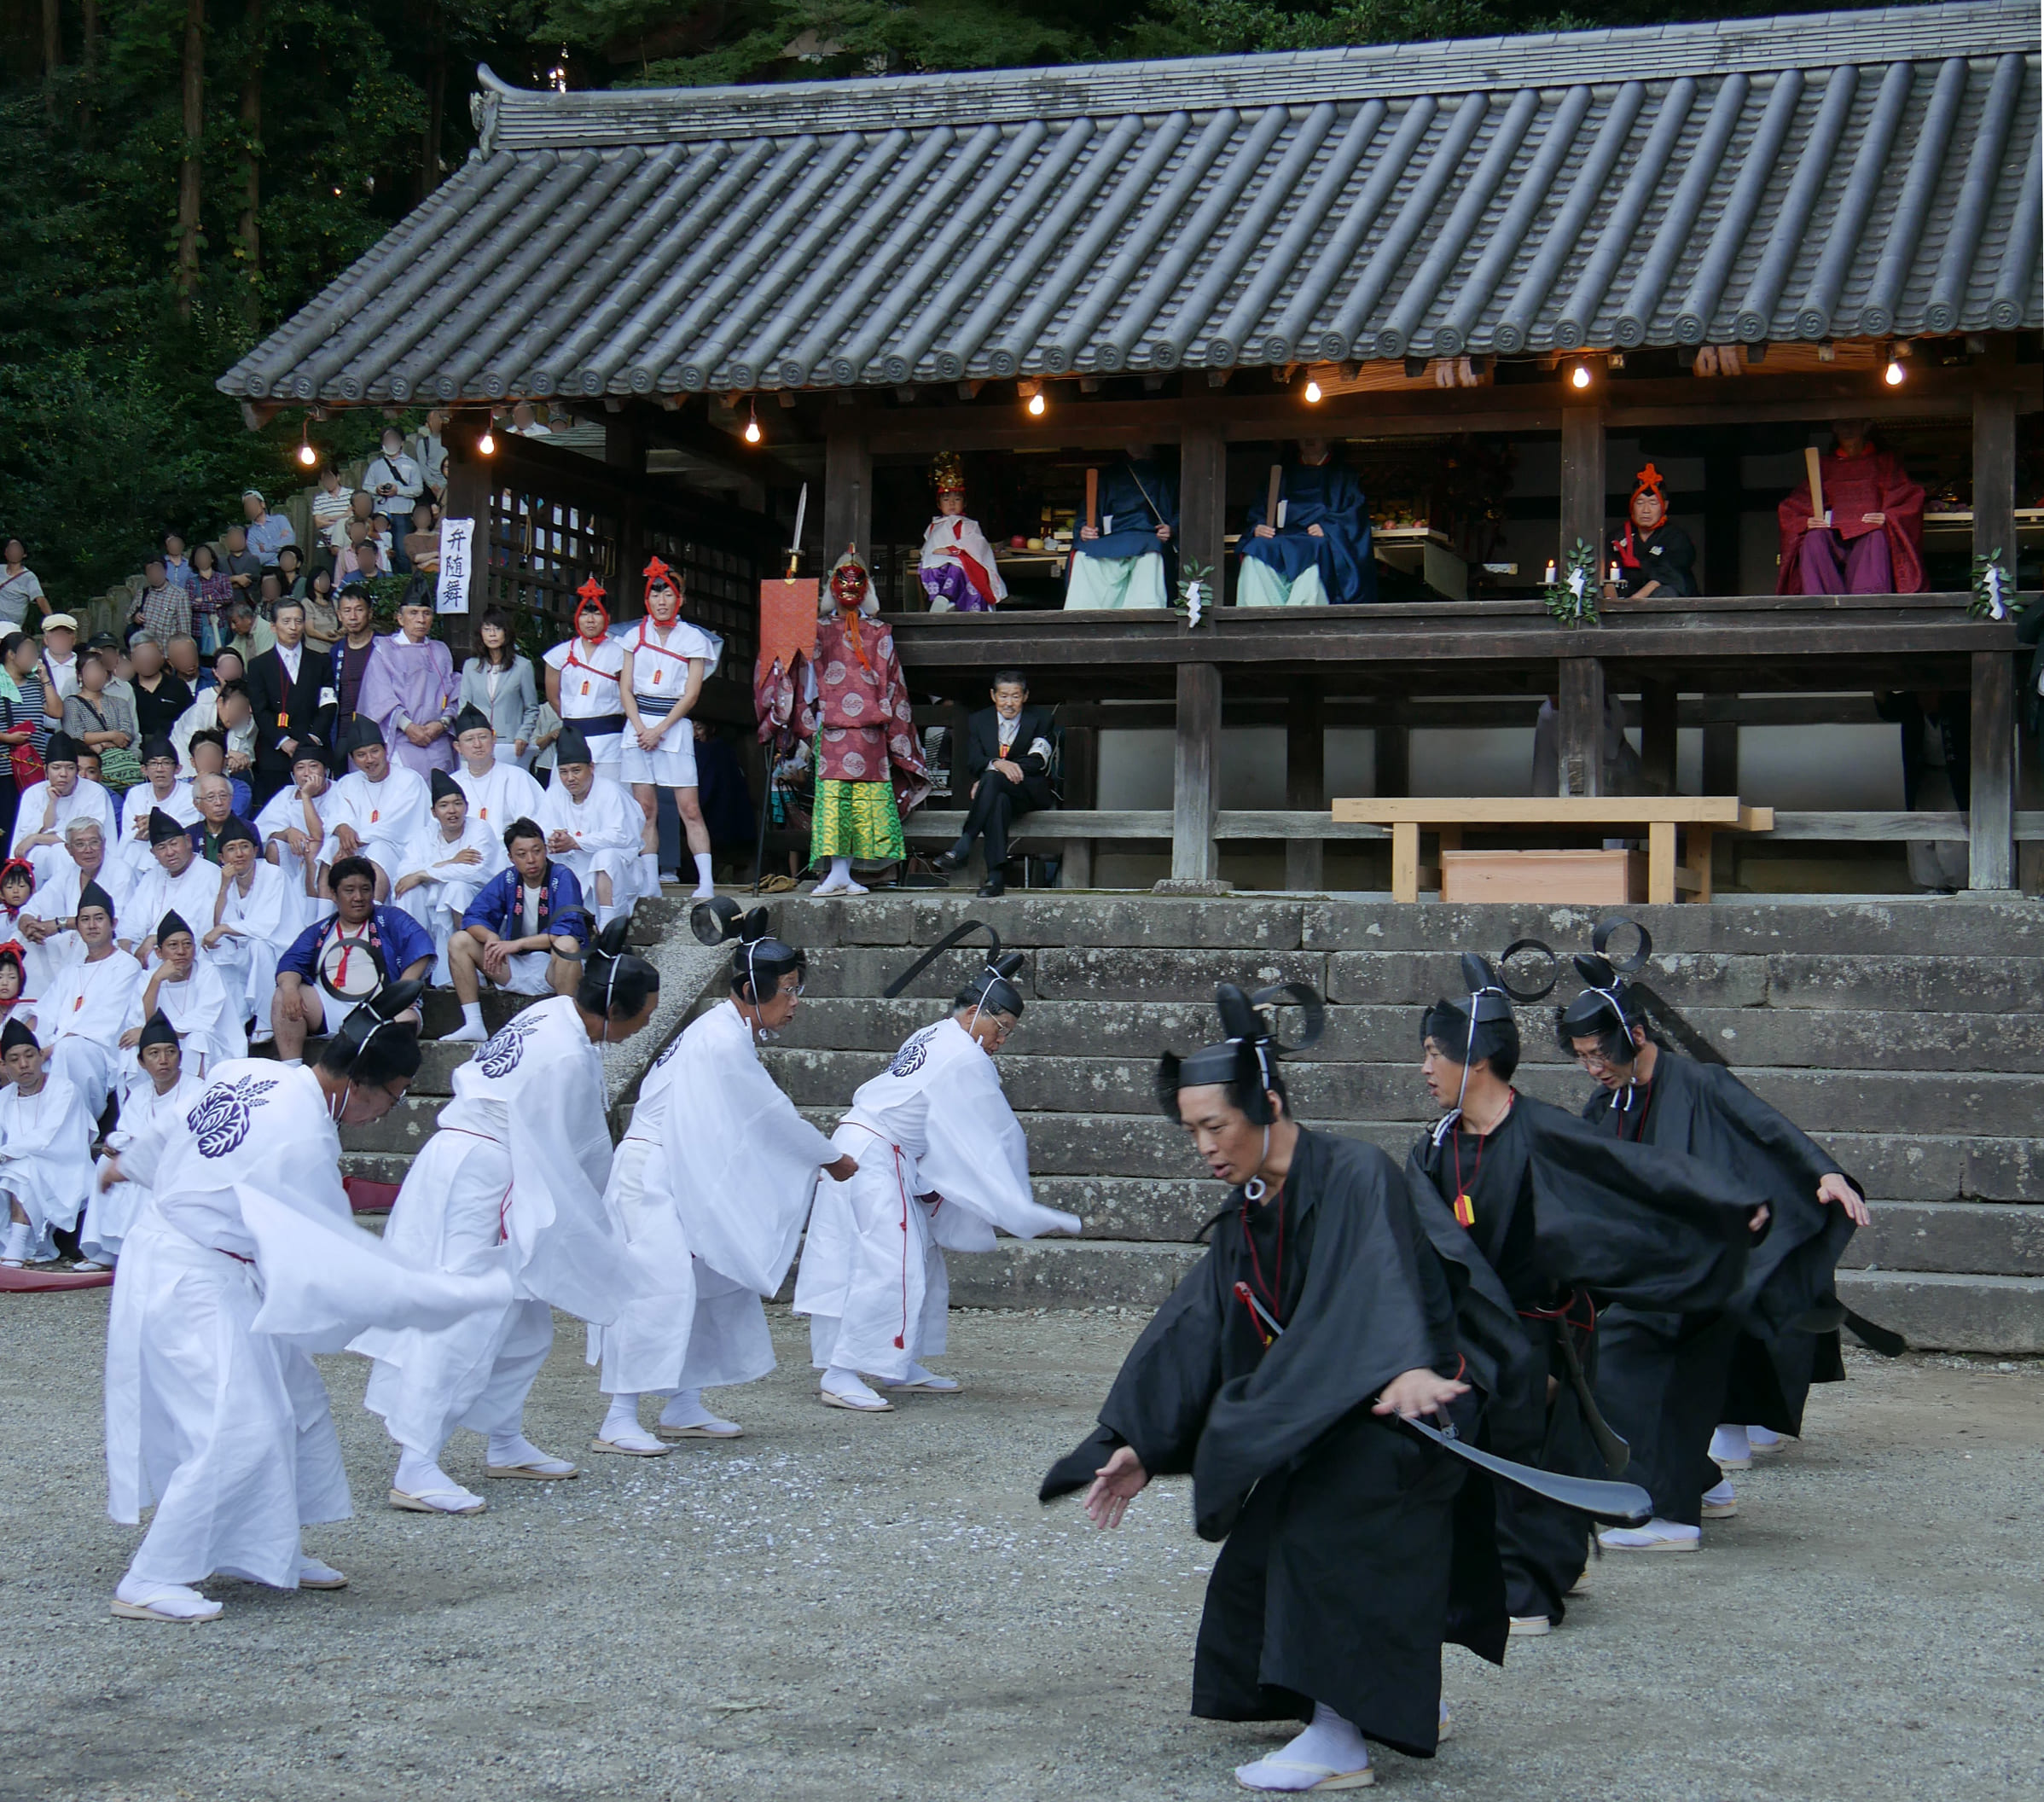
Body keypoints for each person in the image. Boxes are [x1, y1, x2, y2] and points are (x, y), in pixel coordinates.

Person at [1038, 981, 1497, 1792]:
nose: (1205, 1147)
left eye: (1215, 1126)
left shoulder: (1355, 1172)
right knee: (1268, 1543)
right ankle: (1400, 1706)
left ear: (1269, 1106)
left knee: (1319, 1534)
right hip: (1339, 1412)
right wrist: (1142, 1441)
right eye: (1192, 1131)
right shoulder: (1251, 1208)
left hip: (1413, 1409)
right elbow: (1197, 1327)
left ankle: (1340, 1740)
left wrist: (1405, 1362)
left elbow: (1386, 1279)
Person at [102, 984, 513, 1622]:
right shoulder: (303, 1136)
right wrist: (437, 1297)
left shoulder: (253, 1071)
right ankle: (154, 1574)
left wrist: (128, 1164)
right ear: (359, 1084)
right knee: (240, 1423)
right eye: (392, 1097)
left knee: (296, 1402)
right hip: (191, 1274)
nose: (385, 1112)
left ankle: (261, 1546)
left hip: (205, 1260)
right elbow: (333, 1257)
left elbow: (175, 1125)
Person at [1407, 958, 1756, 1633]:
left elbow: (1636, 1170)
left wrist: (1726, 1201)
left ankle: (1528, 1592)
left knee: (1539, 1456)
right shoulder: (1435, 1148)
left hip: (1543, 1331)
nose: (1425, 1068)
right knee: (1479, 1457)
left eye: (1433, 1053)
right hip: (1473, 1332)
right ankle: (1533, 1572)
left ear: (1477, 1059)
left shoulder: (1543, 1130)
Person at [354, 924, 669, 1515]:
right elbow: (578, 1154)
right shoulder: (567, 1056)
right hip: (488, 1173)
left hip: (470, 1158)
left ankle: (504, 1438)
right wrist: (602, 1226)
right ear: (613, 1011)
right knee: (468, 1314)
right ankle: (416, 1463)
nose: (646, 1025)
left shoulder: (551, 1012)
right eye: (644, 1015)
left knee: (525, 1322)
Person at [1559, 952, 1868, 1550]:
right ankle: (1703, 1483)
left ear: (1637, 1036)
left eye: (1600, 1054)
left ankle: (1666, 1514)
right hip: (1650, 1268)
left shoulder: (1700, 1083)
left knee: (1633, 1356)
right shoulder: (1607, 1104)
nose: (1593, 1068)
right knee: (1603, 1348)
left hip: (1704, 1268)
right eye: (1582, 1057)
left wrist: (1826, 1173)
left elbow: (1768, 1127)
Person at [590, 904, 856, 1453]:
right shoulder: (720, 1037)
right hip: (652, 1170)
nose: (795, 1002)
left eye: (797, 989)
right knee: (656, 1288)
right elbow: (767, 1113)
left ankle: (683, 1401)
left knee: (713, 1280)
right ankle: (618, 1417)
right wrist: (827, 1157)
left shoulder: (724, 1031)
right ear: (753, 990)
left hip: (681, 1165)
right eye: (788, 990)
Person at [794, 926, 1080, 1411]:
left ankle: (897, 1362)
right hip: (874, 1152)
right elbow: (996, 1133)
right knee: (890, 1261)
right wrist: (1016, 1203)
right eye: (1000, 1027)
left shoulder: (934, 1033)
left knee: (918, 1257)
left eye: (1009, 1032)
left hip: (877, 1147)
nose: (1001, 1040)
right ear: (972, 1013)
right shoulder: (964, 1055)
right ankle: (842, 1372)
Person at [784, 548, 927, 898]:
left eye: (857, 581)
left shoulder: (879, 632)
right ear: (832, 586)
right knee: (834, 801)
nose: (849, 587)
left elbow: (893, 686)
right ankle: (837, 873)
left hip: (870, 729)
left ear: (867, 587)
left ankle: (848, 873)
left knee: (863, 803)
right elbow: (803, 678)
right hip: (832, 725)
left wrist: (896, 732)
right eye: (842, 580)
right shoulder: (817, 630)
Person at [270, 856, 435, 1066]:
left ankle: (377, 1078)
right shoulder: (320, 930)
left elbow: (420, 945)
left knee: (406, 1021)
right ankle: (291, 1070)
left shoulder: (390, 918)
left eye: (365, 889)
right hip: (331, 1007)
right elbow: (291, 963)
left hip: (382, 1007)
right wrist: (290, 989)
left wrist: (402, 992)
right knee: (283, 994)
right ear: (334, 894)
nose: (358, 897)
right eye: (349, 890)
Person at [620, 557, 720, 899]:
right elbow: (625, 688)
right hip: (638, 726)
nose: (661, 601)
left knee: (689, 808)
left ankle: (706, 881)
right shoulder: (633, 636)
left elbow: (692, 694)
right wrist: (640, 727)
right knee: (645, 809)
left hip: (673, 725)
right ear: (647, 599)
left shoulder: (693, 638)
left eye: (668, 595)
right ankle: (650, 881)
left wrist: (660, 729)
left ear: (680, 599)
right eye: (655, 594)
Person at [443, 817, 588, 1041]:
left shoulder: (562, 876)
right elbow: (474, 916)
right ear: (511, 857)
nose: (531, 859)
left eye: (536, 851)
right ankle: (474, 1023)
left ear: (545, 849)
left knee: (567, 944)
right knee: (459, 941)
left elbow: (566, 929)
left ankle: (568, 1026)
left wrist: (516, 944)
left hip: (554, 967)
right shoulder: (508, 878)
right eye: (521, 854)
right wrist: (491, 937)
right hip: (514, 966)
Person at [83, 1010, 205, 1267]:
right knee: (106, 1163)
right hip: (143, 1156)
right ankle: (107, 1249)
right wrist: (114, 1144)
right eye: (154, 1053)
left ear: (180, 1056)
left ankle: (139, 1249)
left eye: (170, 1052)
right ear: (141, 1062)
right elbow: (126, 1133)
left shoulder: (196, 1089)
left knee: (141, 1165)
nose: (163, 1060)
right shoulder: (139, 1093)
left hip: (181, 1161)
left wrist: (135, 1147)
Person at [934, 670, 1053, 898]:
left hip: (1027, 791)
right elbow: (974, 760)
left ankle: (965, 842)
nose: (1009, 703)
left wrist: (997, 772)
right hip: (997, 794)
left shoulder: (1041, 719)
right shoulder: (979, 720)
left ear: (1025, 696)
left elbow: (1037, 760)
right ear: (993, 695)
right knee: (998, 801)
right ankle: (995, 879)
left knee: (991, 779)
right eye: (1004, 696)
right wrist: (997, 765)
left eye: (1015, 696)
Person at [1776, 418, 1926, 596]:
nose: (1847, 429)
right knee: (1813, 539)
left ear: (1866, 427)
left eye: (1853, 423)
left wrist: (1889, 516)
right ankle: (1820, 603)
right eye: (1841, 424)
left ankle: (1868, 604)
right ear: (1834, 428)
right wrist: (1806, 521)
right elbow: (1793, 507)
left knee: (1876, 535)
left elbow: (1908, 498)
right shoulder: (1824, 466)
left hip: (1869, 533)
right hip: (1831, 535)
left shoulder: (1884, 462)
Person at [38, 882, 143, 1121]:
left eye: (99, 918)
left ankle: (76, 1127)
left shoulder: (126, 965)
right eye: (85, 920)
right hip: (56, 1047)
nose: (92, 925)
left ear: (113, 923)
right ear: (78, 926)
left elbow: (103, 1018)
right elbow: (44, 1013)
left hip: (99, 1052)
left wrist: (51, 1048)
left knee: (69, 1049)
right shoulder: (70, 970)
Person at [0, 1015, 98, 1268]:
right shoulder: (4, 1096)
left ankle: (16, 1248)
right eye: (14, 1059)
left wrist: (5, 1154)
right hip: (18, 1170)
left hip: (64, 1169)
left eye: (29, 1056)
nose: (24, 1064)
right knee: (17, 1170)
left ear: (41, 1056)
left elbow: (47, 1137)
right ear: (5, 1065)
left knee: (20, 1169)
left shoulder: (64, 1089)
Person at [533, 726, 649, 930]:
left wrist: (576, 842)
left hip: (617, 868)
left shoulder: (610, 791)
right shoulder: (554, 792)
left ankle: (607, 929)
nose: (570, 778)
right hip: (571, 863)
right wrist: (555, 838)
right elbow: (541, 828)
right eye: (564, 772)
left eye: (576, 770)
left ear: (591, 767)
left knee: (605, 859)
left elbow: (621, 836)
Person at [392, 770, 502, 983]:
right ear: (434, 812)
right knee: (407, 892)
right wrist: (450, 862)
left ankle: (473, 967)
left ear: (466, 807)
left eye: (457, 804)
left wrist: (423, 874)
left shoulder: (479, 829)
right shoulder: (425, 835)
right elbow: (404, 875)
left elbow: (474, 871)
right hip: (432, 903)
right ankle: (412, 969)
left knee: (457, 888)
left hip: (477, 897)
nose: (452, 811)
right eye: (444, 805)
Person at [1239, 438, 1376, 607]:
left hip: (1318, 541)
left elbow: (1354, 514)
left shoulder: (1344, 475)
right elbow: (1260, 511)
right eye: (1304, 434)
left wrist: (1328, 527)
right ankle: (1259, 613)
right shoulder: (1281, 474)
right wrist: (1258, 527)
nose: (1310, 438)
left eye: (1316, 434)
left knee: (1315, 555)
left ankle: (1301, 615)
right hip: (1281, 537)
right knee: (1255, 549)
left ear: (1328, 439)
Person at [205, 817, 303, 1041]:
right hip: (241, 948)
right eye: (231, 849)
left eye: (244, 846)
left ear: (256, 850)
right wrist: (224, 887)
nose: (239, 854)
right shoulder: (221, 880)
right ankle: (234, 1022)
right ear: (222, 858)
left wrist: (223, 929)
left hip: (279, 948)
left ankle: (267, 1019)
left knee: (258, 947)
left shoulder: (273, 874)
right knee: (215, 953)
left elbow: (265, 925)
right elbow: (214, 925)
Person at [119, 910, 245, 1078]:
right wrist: (156, 981)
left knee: (198, 1039)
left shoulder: (207, 971)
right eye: (173, 945)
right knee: (131, 1049)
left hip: (209, 1043)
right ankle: (144, 1095)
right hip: (165, 1044)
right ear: (159, 953)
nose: (181, 951)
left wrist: (152, 1034)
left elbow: (203, 1019)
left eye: (187, 944)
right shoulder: (148, 978)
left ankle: (195, 1093)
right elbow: (143, 1023)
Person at [357, 584, 457, 779]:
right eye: (413, 613)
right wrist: (408, 727)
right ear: (400, 618)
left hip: (437, 737)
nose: (421, 619)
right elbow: (379, 696)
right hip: (401, 739)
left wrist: (443, 723)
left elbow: (454, 690)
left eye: (426, 613)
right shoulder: (385, 650)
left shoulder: (440, 650)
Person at [1875, 689, 1971, 892]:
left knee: (1952, 831)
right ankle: (1929, 885)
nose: (1925, 699)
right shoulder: (1911, 706)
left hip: (1953, 778)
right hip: (1924, 776)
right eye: (1922, 695)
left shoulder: (1960, 703)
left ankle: (1958, 885)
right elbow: (1887, 708)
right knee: (1920, 829)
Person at [325, 718, 432, 900]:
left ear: (386, 750)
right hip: (355, 848)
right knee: (329, 848)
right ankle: (325, 913)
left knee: (378, 849)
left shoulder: (409, 780)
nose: (369, 759)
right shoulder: (347, 783)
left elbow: (395, 828)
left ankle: (373, 911)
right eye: (361, 755)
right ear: (353, 758)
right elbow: (335, 816)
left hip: (398, 849)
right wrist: (341, 827)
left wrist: (353, 841)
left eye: (374, 751)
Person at [1066, 446, 1177, 610]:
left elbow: (1185, 511)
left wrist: (1172, 528)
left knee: (1151, 555)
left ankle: (1144, 615)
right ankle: (1083, 615)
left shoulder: (1170, 474)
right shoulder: (1110, 475)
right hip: (1112, 536)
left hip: (1150, 536)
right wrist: (1085, 529)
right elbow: (1089, 514)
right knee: (1084, 554)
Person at [20, 820, 134, 977]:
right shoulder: (68, 872)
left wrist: (60, 924)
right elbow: (33, 907)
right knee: (25, 939)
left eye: (94, 842)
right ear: (69, 849)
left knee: (86, 939)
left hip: (107, 943)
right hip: (68, 943)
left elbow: (112, 921)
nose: (88, 850)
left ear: (104, 843)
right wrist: (28, 924)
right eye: (80, 844)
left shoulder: (121, 871)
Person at [246, 596, 328, 807]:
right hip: (276, 751)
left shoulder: (320, 660)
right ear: (273, 626)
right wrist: (283, 741)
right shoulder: (258, 665)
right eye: (286, 621)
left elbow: (328, 704)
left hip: (313, 747)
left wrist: (313, 738)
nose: (293, 627)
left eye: (298, 621)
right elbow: (260, 710)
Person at [12, 730, 118, 888]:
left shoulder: (94, 792)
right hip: (43, 852)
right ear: (46, 770)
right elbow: (25, 836)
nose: (63, 774)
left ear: (76, 770)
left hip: (86, 852)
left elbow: (84, 836)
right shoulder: (33, 793)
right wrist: (52, 803)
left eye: (70, 768)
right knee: (38, 854)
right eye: (56, 768)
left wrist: (35, 838)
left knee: (61, 852)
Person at [543, 580, 629, 775]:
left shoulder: (622, 652)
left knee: (610, 789)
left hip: (610, 739)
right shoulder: (558, 655)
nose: (590, 620)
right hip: (572, 737)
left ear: (607, 617)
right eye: (584, 613)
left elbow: (629, 695)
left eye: (597, 613)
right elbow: (554, 698)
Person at [123, 810, 224, 966]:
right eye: (161, 847)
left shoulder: (210, 874)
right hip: (146, 949)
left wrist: (155, 939)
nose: (169, 852)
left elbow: (201, 926)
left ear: (188, 841)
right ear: (153, 853)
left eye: (174, 844)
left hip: (188, 949)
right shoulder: (152, 876)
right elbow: (132, 920)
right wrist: (124, 946)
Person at [917, 452, 1007, 612]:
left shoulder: (969, 524)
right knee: (928, 569)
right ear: (939, 504)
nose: (951, 503)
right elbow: (928, 546)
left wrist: (952, 550)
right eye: (946, 500)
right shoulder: (934, 525)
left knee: (955, 569)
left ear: (964, 503)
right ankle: (940, 600)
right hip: (937, 562)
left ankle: (947, 598)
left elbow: (976, 544)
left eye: (957, 499)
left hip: (961, 560)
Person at [257, 736, 342, 898]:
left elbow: (318, 836)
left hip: (329, 852)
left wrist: (306, 796)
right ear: (293, 774)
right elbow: (262, 830)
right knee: (274, 846)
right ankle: (280, 900)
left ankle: (314, 906)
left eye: (313, 766)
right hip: (296, 856)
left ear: (325, 770)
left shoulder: (338, 791)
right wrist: (287, 833)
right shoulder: (287, 794)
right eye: (300, 768)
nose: (307, 773)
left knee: (313, 850)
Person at [1602, 462, 1698, 601]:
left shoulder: (1676, 538)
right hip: (1624, 603)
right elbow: (1606, 578)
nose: (1646, 510)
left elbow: (1667, 573)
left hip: (1659, 603)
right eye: (1640, 503)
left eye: (1653, 503)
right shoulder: (1616, 538)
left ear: (1665, 506)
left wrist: (1635, 602)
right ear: (1632, 505)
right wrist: (1615, 605)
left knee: (1665, 593)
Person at [457, 607, 538, 768]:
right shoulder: (471, 666)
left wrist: (523, 735)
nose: (492, 634)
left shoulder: (523, 666)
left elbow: (532, 709)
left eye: (497, 629)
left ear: (506, 632)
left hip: (510, 744)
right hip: (477, 743)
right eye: (487, 629)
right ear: (480, 634)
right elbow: (463, 706)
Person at [449, 702, 545, 837]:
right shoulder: (452, 783)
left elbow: (532, 824)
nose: (477, 744)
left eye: (483, 737)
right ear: (458, 747)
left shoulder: (517, 777)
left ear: (494, 739)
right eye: (469, 739)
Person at [326, 587, 379, 764]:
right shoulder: (336, 651)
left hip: (377, 728)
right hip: (345, 730)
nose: (353, 617)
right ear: (339, 615)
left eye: (359, 610)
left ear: (370, 613)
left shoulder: (384, 646)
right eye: (347, 611)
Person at [170, 679, 257, 782]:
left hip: (222, 774)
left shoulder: (244, 721)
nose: (242, 714)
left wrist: (241, 760)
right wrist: (228, 756)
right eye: (239, 708)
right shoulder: (198, 713)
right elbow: (199, 750)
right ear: (220, 702)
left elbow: (245, 753)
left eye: (246, 710)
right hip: (186, 769)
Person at [127, 637, 193, 749]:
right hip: (137, 750)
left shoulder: (178, 686)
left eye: (150, 655)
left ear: (162, 656)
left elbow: (190, 720)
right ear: (132, 659)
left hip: (175, 747)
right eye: (141, 656)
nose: (146, 660)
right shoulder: (127, 689)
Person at [184, 772, 257, 866]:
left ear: (231, 798)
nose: (219, 803)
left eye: (223, 795)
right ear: (197, 804)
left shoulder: (248, 829)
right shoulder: (190, 833)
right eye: (211, 797)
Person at [183, 730, 253, 823]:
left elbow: (227, 818)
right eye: (203, 756)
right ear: (193, 762)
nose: (209, 761)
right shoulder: (181, 785)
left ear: (224, 761)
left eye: (214, 755)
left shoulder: (239, 788)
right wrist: (193, 786)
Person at [364, 426, 425, 515]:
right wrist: (377, 490)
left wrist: (398, 491)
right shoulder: (375, 466)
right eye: (387, 440)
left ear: (402, 442)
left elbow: (418, 489)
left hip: (404, 511)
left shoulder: (412, 464)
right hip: (381, 512)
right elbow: (366, 487)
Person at [131, 557, 192, 646]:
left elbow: (184, 630)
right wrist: (135, 617)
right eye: (151, 573)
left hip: (166, 648)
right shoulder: (143, 593)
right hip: (145, 647)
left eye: (157, 571)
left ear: (165, 571)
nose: (155, 575)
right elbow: (128, 617)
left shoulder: (179, 595)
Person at [182, 546, 229, 657]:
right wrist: (213, 606)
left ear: (212, 559)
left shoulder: (223, 578)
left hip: (220, 626)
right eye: (199, 557)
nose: (202, 559)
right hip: (199, 630)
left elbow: (228, 597)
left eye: (205, 555)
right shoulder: (191, 582)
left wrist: (205, 599)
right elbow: (191, 604)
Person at [241, 489, 296, 569]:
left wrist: (266, 548)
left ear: (262, 504)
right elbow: (258, 559)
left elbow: (290, 541)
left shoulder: (280, 520)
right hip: (269, 569)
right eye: (247, 505)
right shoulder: (250, 533)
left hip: (290, 567)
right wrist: (282, 550)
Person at [0, 538, 45, 628]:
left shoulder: (29, 577)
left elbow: (40, 599)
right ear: (5, 552)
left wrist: (52, 619)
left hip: (12, 625)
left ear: (24, 554)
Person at [39, 613, 80, 704]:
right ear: (46, 640)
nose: (61, 638)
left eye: (66, 634)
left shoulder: (84, 667)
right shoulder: (34, 667)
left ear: (74, 639)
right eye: (55, 634)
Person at [218, 523, 264, 604]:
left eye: (238, 537)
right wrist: (234, 578)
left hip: (246, 603)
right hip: (226, 604)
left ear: (245, 540)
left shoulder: (253, 560)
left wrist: (225, 583)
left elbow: (245, 582)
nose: (234, 540)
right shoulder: (221, 561)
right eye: (231, 538)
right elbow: (215, 584)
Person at [226, 597, 277, 666]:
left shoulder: (267, 630)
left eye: (235, 622)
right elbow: (232, 650)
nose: (233, 627)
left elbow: (265, 660)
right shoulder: (242, 633)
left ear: (247, 619)